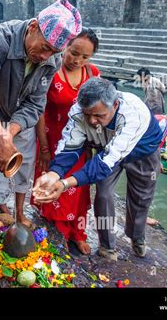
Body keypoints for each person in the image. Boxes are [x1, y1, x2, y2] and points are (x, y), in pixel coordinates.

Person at [0, 0, 82, 228]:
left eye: (54, 52)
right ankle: (2, 208)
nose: (45, 56)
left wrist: (10, 133)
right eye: (44, 48)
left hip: (20, 118)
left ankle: (20, 212)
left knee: (25, 162)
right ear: (33, 27)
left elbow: (35, 103)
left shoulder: (53, 59)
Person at [33, 78, 164, 261]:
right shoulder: (78, 111)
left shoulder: (133, 113)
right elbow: (70, 147)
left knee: (141, 198)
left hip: (142, 152)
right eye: (88, 115)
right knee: (103, 195)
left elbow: (104, 163)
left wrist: (65, 183)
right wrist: (53, 175)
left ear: (115, 105)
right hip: (106, 148)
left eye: (99, 115)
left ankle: (136, 237)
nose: (92, 121)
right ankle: (107, 246)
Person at [31, 28, 99, 254]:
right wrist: (43, 147)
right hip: (51, 138)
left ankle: (78, 232)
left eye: (85, 57)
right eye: (73, 52)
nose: (77, 60)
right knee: (52, 185)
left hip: (81, 144)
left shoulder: (93, 74)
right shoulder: (49, 71)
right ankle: (56, 231)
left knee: (77, 188)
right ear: (65, 47)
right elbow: (38, 110)